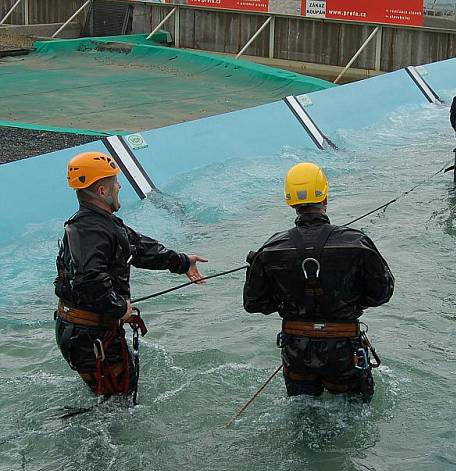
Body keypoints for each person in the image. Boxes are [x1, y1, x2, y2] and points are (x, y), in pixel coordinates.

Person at [55, 152, 207, 401]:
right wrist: (118, 308)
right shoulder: (92, 231)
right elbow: (89, 279)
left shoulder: (99, 224)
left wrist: (181, 262)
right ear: (102, 192)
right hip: (91, 335)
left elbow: (139, 248)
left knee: (107, 395)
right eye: (115, 182)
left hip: (83, 332)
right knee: (118, 402)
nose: (119, 185)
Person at [243, 162, 394, 403]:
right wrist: (349, 304)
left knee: (303, 411)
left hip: (296, 350)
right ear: (325, 196)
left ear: (290, 201)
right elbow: (382, 293)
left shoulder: (270, 249)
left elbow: (254, 303)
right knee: (353, 412)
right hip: (344, 348)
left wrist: (288, 300)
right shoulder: (356, 242)